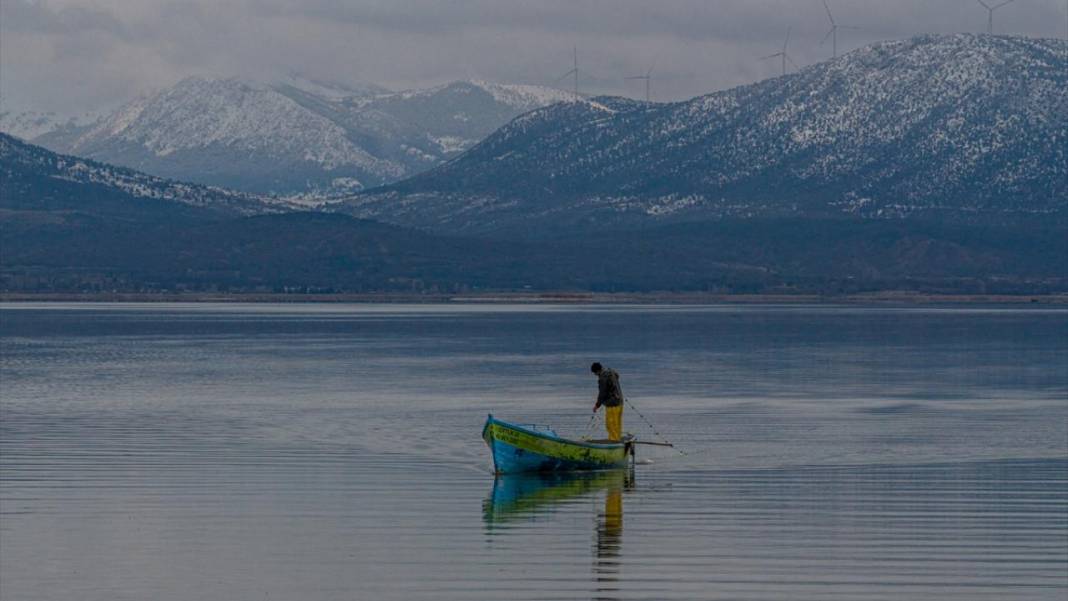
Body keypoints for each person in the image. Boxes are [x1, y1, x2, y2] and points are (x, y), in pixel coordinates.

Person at [591, 362, 624, 441]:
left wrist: (597, 405)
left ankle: (613, 441)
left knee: (610, 424)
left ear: (597, 371)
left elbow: (602, 393)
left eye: (594, 373)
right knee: (617, 424)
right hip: (620, 402)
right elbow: (617, 376)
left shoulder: (603, 378)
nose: (595, 375)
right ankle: (617, 439)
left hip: (612, 404)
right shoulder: (611, 372)